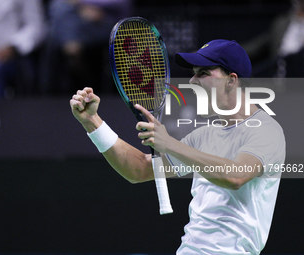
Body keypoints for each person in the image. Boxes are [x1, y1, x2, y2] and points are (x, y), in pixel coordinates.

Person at [70, 39, 286, 254]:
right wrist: (92, 122)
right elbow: (139, 170)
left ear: (231, 80)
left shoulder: (266, 130)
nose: (192, 81)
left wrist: (171, 144)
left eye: (203, 73)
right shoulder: (204, 136)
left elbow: (234, 176)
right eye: (193, 73)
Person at [40, 0, 132, 95]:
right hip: (80, 23)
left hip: (111, 24)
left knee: (55, 31)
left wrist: (84, 3)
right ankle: (73, 54)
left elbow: (121, 3)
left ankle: (49, 88)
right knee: (61, 12)